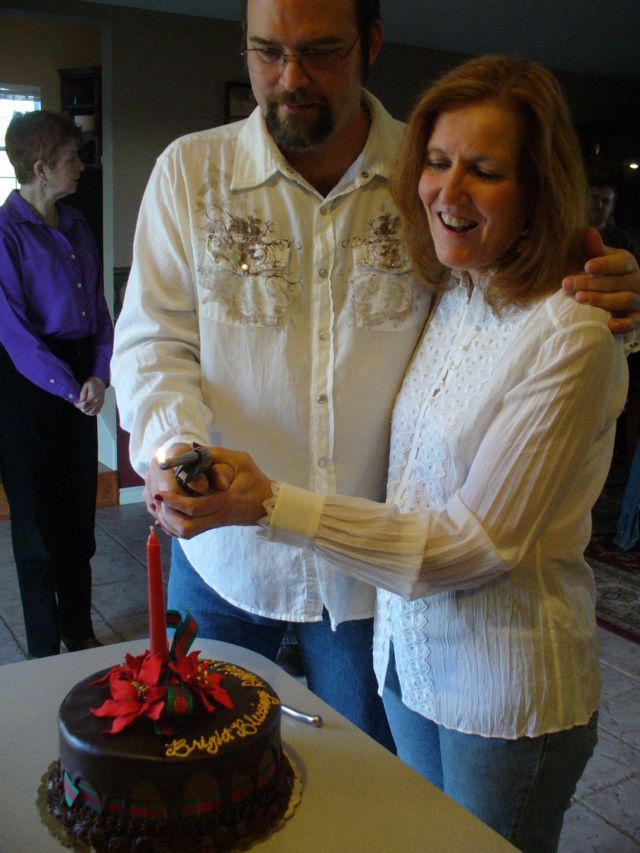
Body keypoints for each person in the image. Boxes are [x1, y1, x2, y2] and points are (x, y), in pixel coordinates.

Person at [111, 0, 640, 751]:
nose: (291, 78)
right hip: (225, 558)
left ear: (372, 43)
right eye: (267, 52)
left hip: (371, 580)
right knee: (209, 769)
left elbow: (514, 301)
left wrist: (610, 294)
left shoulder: (429, 174)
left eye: (321, 52)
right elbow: (153, 341)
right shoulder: (190, 174)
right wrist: (175, 451)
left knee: (368, 787)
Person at [0, 110, 113, 658]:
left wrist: (99, 374)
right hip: (25, 386)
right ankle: (44, 648)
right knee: (36, 527)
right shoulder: (5, 233)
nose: (81, 166)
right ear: (42, 168)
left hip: (79, 377)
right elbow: (13, 332)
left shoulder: (77, 225)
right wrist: (70, 387)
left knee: (77, 516)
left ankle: (78, 628)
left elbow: (99, 313)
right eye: (73, 157)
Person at [588, 177, 640, 262]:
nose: (599, 205)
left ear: (612, 207)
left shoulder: (624, 241)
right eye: (594, 198)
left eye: (605, 201)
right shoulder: (570, 234)